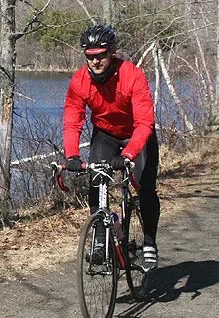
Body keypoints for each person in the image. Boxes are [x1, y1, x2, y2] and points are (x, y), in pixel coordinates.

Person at [62, 25, 161, 272]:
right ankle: (100, 234)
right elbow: (72, 120)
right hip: (105, 134)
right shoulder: (79, 81)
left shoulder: (132, 76)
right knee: (96, 179)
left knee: (145, 188)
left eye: (101, 55)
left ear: (112, 53)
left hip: (137, 136)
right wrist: (72, 155)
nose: (95, 61)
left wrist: (128, 155)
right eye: (90, 56)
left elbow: (144, 123)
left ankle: (149, 244)